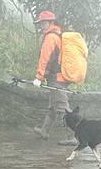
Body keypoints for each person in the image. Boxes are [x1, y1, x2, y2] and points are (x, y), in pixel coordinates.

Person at [32, 10, 78, 146]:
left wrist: (38, 77)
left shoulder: (50, 37)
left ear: (51, 22)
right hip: (58, 76)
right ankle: (44, 131)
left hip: (57, 78)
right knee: (53, 105)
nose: (41, 26)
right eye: (40, 23)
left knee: (62, 107)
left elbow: (44, 59)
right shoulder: (57, 35)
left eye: (44, 23)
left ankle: (73, 136)